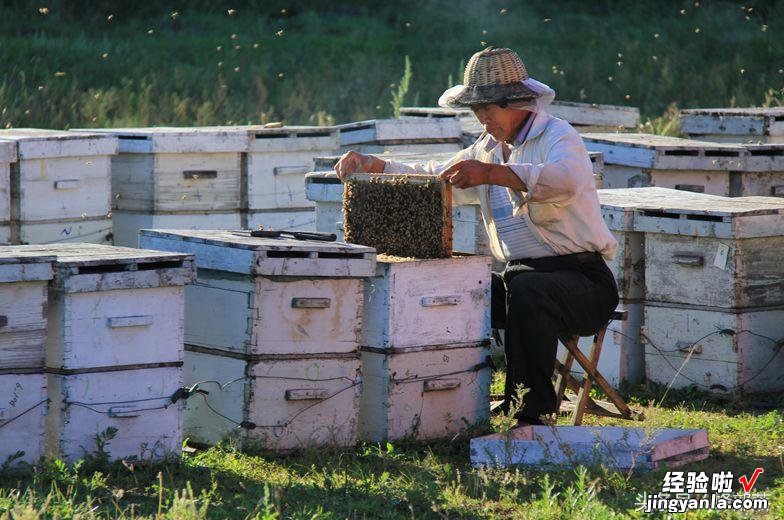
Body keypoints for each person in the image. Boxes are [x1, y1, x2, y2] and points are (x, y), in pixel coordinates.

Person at [335, 47, 618, 426]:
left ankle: (533, 412)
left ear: (518, 101)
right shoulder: (485, 149)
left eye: (490, 107)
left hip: (584, 284)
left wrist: (491, 174)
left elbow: (566, 179)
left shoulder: (558, 135)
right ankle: (442, 395)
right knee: (459, 288)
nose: (483, 118)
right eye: (476, 108)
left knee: (530, 289)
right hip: (521, 279)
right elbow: (435, 173)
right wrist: (378, 165)